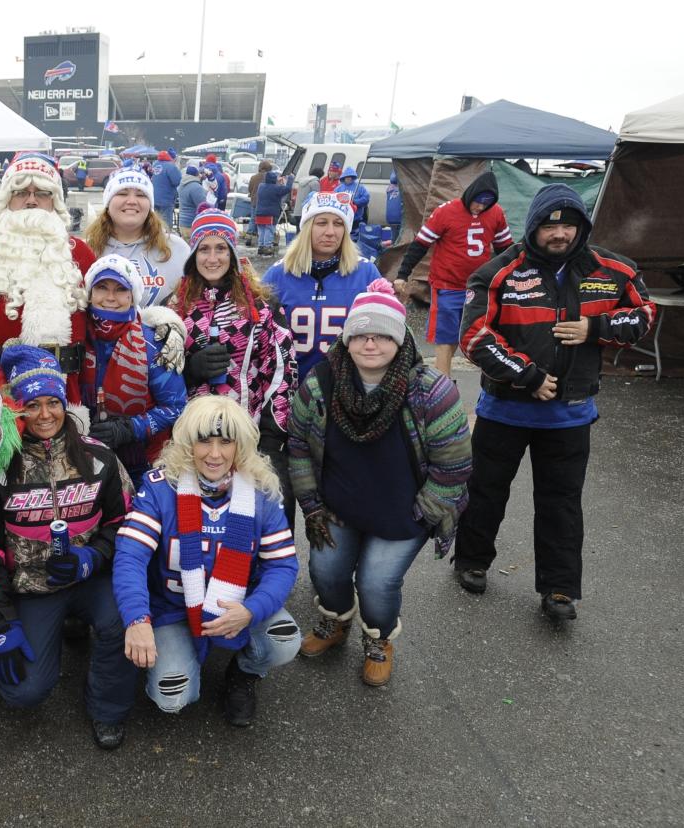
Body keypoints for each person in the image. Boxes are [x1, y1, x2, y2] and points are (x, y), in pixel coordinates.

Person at [454, 183, 656, 621]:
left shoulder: (614, 269)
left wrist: (597, 327)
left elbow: (643, 314)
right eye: (550, 225)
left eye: (569, 225)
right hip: (504, 410)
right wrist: (527, 376)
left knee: (561, 502)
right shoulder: (498, 272)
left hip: (570, 413)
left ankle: (560, 589)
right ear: (533, 227)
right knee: (485, 492)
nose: (560, 233)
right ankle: (470, 561)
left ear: (582, 227)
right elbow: (473, 336)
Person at [287, 279, 472, 685]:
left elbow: (453, 465)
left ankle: (379, 638)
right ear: (347, 340)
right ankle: (335, 622)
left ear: (400, 339)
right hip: (338, 507)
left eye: (382, 336)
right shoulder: (320, 382)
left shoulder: (430, 390)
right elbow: (299, 445)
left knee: (377, 584)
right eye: (361, 335)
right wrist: (312, 506)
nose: (371, 344)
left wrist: (425, 512)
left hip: (401, 513)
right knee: (326, 573)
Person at [0, 345, 138, 750]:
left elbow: (126, 523)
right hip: (33, 589)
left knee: (123, 621)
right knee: (22, 692)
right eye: (32, 404)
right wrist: (2, 620)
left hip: (89, 576)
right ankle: (48, 635)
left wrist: (92, 557)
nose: (45, 415)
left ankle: (107, 709)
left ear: (65, 403)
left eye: (53, 402)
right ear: (16, 409)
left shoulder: (98, 458)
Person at [113, 395, 300, 726]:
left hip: (239, 603)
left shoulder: (261, 491)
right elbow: (130, 556)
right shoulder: (160, 487)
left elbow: (282, 565)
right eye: (204, 441)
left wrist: (251, 611)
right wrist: (137, 619)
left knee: (285, 641)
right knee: (172, 696)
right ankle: (183, 652)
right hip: (173, 607)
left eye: (225, 442)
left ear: (239, 444)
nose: (215, 454)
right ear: (187, 442)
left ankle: (244, 674)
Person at [170, 209, 298, 527]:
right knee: (195, 521)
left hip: (249, 434)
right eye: (204, 249)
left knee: (263, 515)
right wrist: (188, 370)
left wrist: (269, 437)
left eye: (221, 248)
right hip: (193, 435)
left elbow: (282, 373)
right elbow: (157, 374)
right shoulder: (175, 307)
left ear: (232, 253)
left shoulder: (261, 306)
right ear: (193, 254)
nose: (212, 258)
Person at [0, 152, 95, 394]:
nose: (32, 201)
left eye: (43, 193)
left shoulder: (82, 254)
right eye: (21, 192)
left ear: (55, 201)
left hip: (66, 395)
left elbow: (107, 321)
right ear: (5, 199)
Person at [81, 254, 187, 486]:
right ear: (89, 293)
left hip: (143, 462)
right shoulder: (76, 338)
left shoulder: (154, 342)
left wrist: (131, 428)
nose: (110, 297)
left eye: (120, 289)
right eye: (101, 287)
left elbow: (177, 407)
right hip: (83, 457)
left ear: (133, 296)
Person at [395, 170, 513, 376]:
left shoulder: (496, 213)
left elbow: (506, 249)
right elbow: (420, 245)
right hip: (447, 286)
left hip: (478, 287)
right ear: (470, 195)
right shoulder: (446, 212)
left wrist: (516, 275)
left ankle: (487, 380)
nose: (480, 207)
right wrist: (402, 274)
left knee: (478, 334)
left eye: (486, 203)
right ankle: (443, 383)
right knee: (445, 337)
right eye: (477, 202)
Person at [262, 191, 383, 380]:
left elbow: (386, 337)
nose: (330, 232)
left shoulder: (366, 274)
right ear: (307, 227)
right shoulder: (277, 275)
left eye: (338, 223)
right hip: (290, 386)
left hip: (348, 387)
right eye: (321, 223)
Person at [83, 167, 190, 307]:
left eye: (141, 195)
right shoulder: (85, 251)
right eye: (122, 193)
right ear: (108, 203)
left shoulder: (178, 249)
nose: (132, 201)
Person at [252, 169, 293, 256]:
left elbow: (274, 187)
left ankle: (261, 247)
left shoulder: (261, 186)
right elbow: (287, 189)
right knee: (269, 230)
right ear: (274, 180)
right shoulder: (275, 188)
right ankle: (267, 247)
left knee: (261, 230)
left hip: (259, 213)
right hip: (270, 214)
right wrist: (290, 178)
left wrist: (278, 182)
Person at [150, 150, 181, 228]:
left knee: (156, 221)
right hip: (166, 199)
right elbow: (176, 181)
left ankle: (156, 237)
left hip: (154, 198)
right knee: (166, 223)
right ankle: (166, 238)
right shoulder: (171, 166)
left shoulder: (155, 164)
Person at [290, 165, 324, 230]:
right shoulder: (315, 183)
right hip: (306, 212)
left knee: (299, 232)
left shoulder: (301, 183)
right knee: (305, 233)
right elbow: (316, 197)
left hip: (297, 211)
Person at [176, 164, 208, 233]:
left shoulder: (181, 185)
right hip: (192, 224)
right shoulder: (196, 187)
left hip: (182, 223)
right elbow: (203, 206)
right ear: (197, 174)